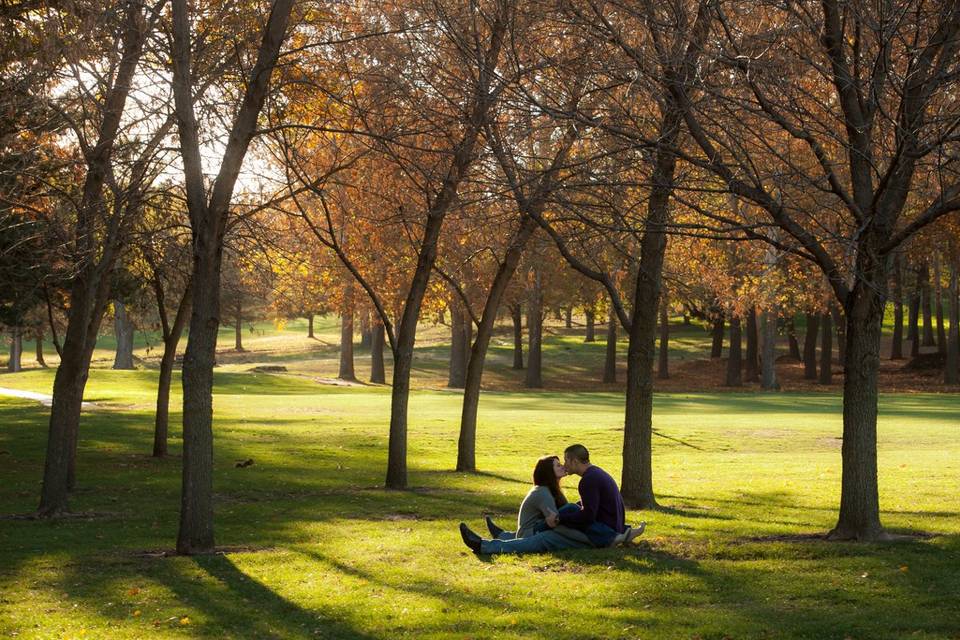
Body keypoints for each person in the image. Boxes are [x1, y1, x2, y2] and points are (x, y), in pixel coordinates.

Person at [459, 445, 645, 555]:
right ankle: (503, 537)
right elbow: (588, 509)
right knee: (568, 510)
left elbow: (588, 516)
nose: (564, 465)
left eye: (565, 460)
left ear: (573, 461)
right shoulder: (596, 473)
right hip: (604, 529)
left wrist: (559, 519)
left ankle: (486, 546)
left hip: (600, 534)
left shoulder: (588, 480)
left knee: (545, 536)